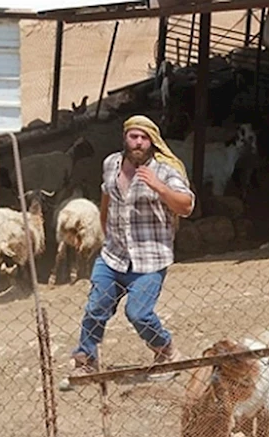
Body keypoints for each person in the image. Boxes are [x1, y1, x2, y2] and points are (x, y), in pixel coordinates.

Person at [64, 115, 196, 383]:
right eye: (133, 136)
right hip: (114, 255)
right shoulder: (111, 164)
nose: (138, 142)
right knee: (95, 308)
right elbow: (107, 196)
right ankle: (86, 360)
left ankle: (166, 349)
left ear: (152, 142)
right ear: (125, 138)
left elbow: (186, 206)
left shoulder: (164, 171)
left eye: (144, 138)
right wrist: (104, 231)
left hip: (150, 259)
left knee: (138, 313)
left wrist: (160, 187)